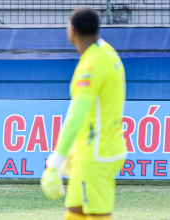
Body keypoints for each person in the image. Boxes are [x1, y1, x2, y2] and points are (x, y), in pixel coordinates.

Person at [41, 7, 127, 220]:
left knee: (99, 215)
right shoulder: (106, 52)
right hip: (97, 149)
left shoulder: (90, 65)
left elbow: (77, 114)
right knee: (74, 213)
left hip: (96, 155)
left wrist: (56, 159)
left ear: (72, 31)